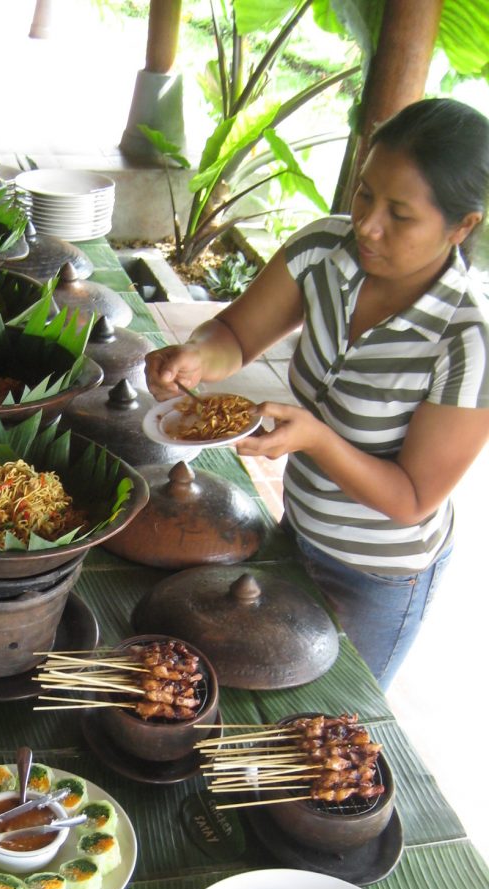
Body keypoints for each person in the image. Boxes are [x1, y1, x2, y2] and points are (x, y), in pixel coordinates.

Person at [145, 97, 489, 689]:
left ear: (462, 226)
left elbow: (410, 499)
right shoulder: (322, 253)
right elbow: (234, 332)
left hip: (380, 577)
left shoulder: (467, 342)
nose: (368, 224)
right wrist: (199, 356)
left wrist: (317, 441)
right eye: (364, 194)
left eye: (400, 215)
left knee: (332, 720)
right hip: (297, 529)